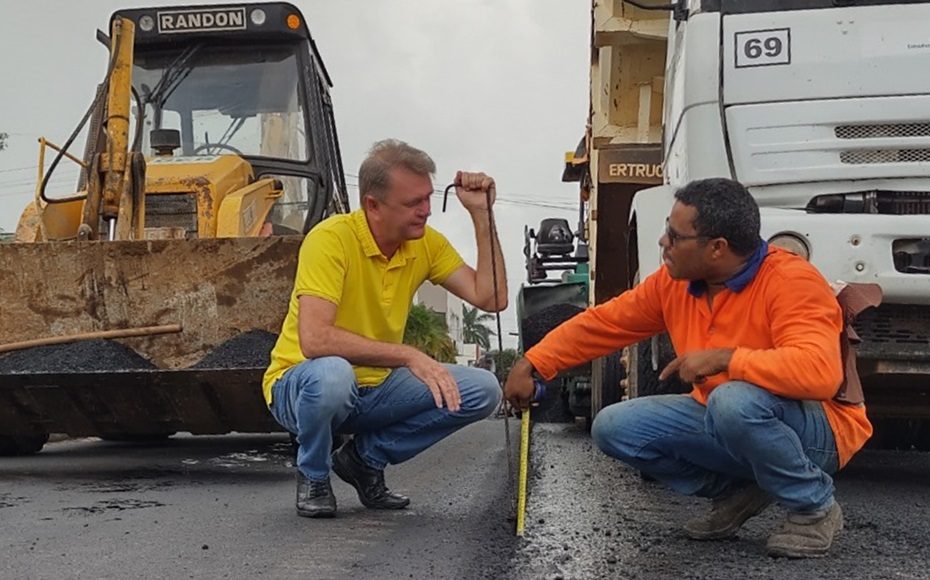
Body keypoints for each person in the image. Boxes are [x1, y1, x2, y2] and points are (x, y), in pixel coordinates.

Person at [504, 178, 872, 558]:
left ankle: (815, 507)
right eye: (667, 229)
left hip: (819, 430)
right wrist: (535, 362)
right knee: (614, 427)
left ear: (717, 248)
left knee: (732, 401)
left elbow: (819, 373)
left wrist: (726, 358)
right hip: (728, 416)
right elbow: (605, 323)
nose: (663, 241)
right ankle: (738, 492)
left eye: (675, 236)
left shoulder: (791, 280)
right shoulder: (673, 284)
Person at [262, 139, 507, 518]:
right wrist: (408, 355)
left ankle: (364, 459)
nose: (426, 211)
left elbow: (492, 298)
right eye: (413, 203)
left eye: (428, 198)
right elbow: (315, 340)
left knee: (482, 390)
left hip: (375, 388)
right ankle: (313, 473)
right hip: (301, 386)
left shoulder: (426, 244)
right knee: (333, 375)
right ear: (373, 205)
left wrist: (481, 215)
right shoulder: (330, 239)